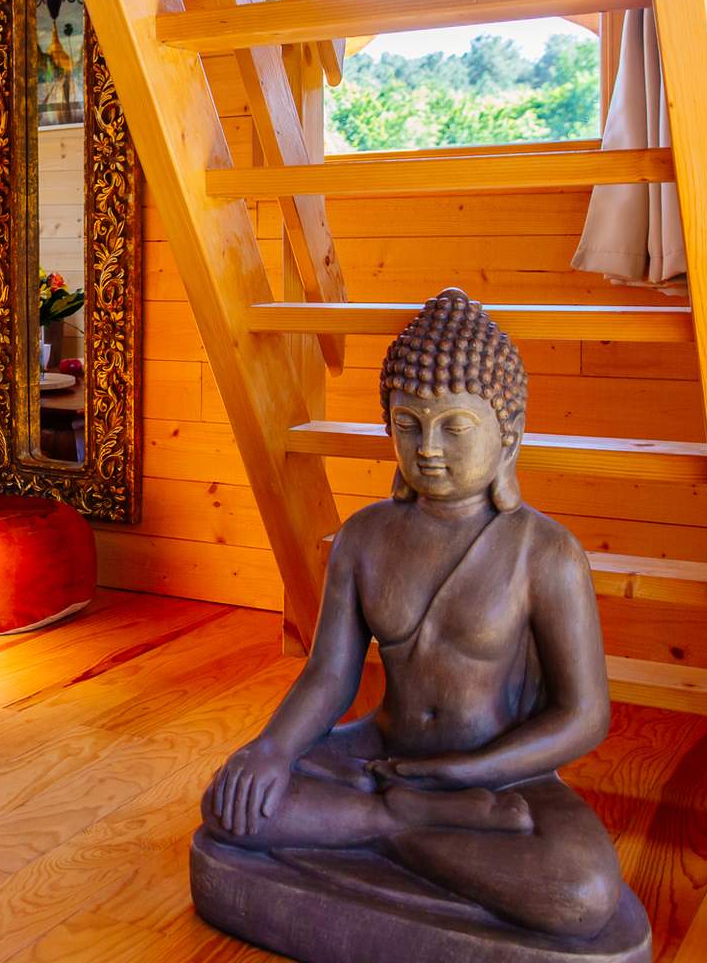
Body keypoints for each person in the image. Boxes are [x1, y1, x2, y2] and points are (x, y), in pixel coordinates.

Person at [202, 288, 624, 940]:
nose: (428, 447)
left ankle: (390, 823)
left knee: (583, 892)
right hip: (383, 758)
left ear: (506, 433)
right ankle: (402, 823)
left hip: (502, 773)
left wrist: (469, 771)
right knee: (234, 804)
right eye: (408, 424)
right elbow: (329, 676)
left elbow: (583, 715)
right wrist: (273, 749)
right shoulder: (364, 538)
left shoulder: (545, 553)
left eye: (455, 425)